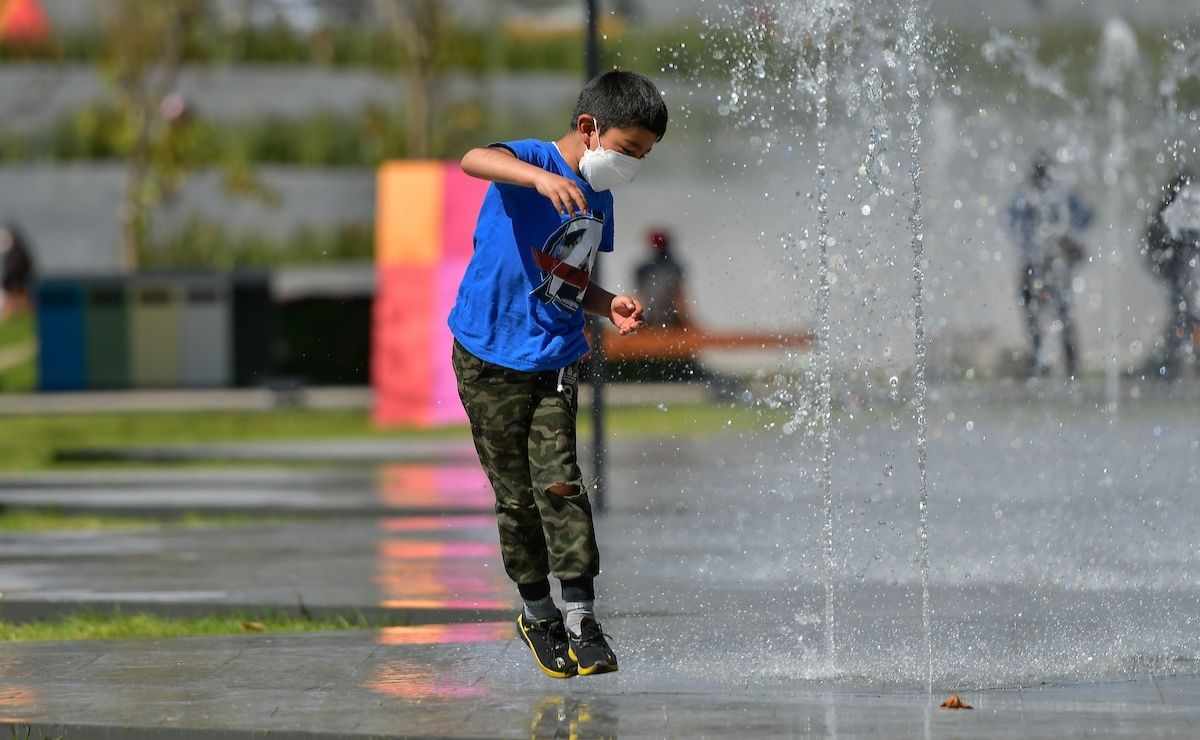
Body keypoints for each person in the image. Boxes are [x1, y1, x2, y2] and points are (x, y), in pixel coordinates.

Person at [448, 70, 667, 678]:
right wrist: (539, 179)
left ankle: (580, 617)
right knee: (515, 495)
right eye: (628, 149)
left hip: (554, 357)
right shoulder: (531, 161)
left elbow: (568, 276)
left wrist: (608, 303)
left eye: (644, 156)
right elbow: (473, 159)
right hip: (488, 355)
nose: (632, 164)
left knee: (562, 485)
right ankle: (537, 613)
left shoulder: (601, 199)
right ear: (588, 127)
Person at [1006, 153, 1093, 378]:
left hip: (1039, 262)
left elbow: (1012, 224)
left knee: (1039, 313)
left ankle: (1043, 361)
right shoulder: (1060, 194)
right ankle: (1066, 364)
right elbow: (1087, 217)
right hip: (1051, 262)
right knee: (1060, 312)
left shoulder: (1028, 196)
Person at [1142, 170, 1200, 378]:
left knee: (1185, 317)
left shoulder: (1176, 210)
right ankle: (1170, 362)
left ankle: (1171, 362)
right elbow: (1155, 241)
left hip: (1184, 274)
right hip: (1181, 274)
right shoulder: (1172, 212)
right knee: (1184, 316)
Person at [634, 228, 690, 329]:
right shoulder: (674, 268)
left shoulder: (643, 270)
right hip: (664, 317)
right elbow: (680, 298)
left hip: (654, 317)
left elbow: (639, 298)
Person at [0, 222, 35, 318]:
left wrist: (7, 286)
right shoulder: (18, 252)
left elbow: (14, 274)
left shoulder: (15, 255)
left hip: (17, 289)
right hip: (21, 287)